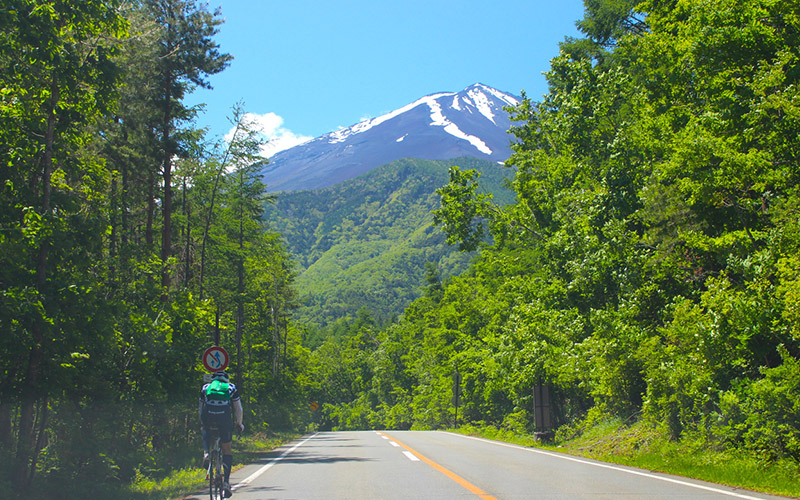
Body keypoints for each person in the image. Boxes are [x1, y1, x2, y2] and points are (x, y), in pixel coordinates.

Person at [200, 370, 244, 498]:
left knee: (205, 428)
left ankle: (206, 452)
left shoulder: (206, 388)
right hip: (224, 419)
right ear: (226, 380)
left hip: (208, 416)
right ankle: (225, 483)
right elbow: (238, 409)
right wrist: (239, 424)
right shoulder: (231, 388)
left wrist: (202, 423)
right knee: (226, 450)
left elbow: (200, 408)